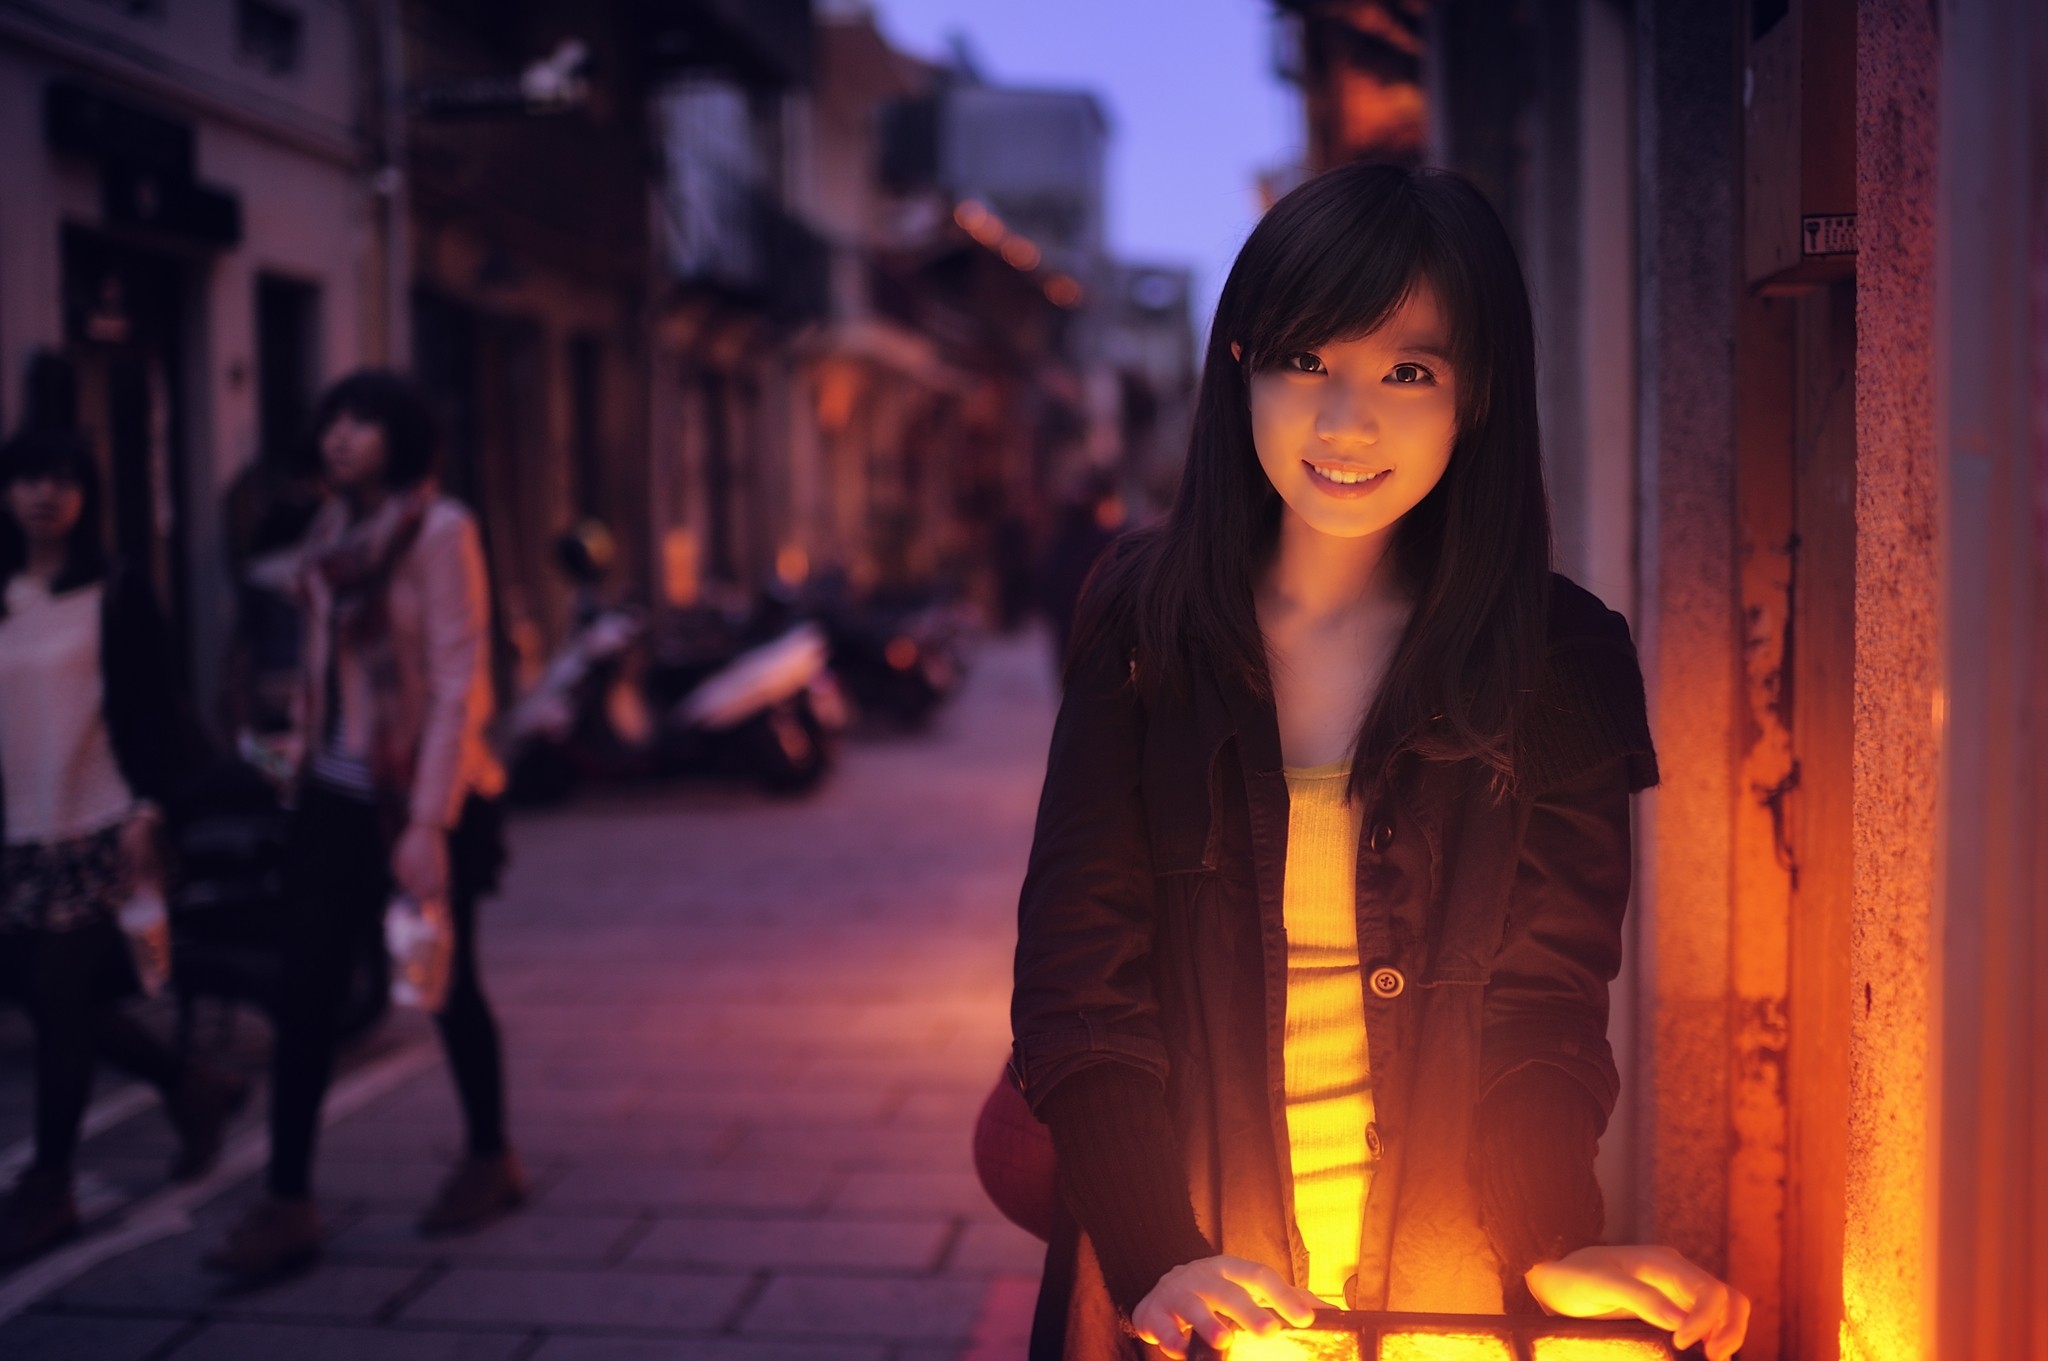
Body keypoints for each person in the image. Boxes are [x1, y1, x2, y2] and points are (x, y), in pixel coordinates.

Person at [1007, 164, 1752, 1361]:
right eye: (1306, 359)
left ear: (1478, 394)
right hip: (1188, 1272)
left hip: (1440, 1272)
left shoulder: (1562, 653)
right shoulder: (1145, 620)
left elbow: (1545, 1004)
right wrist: (1158, 1253)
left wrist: (1557, 1239)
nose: (1344, 421)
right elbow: (1078, 980)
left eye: (1408, 371)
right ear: (1240, 364)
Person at [206, 370, 520, 1280]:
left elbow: (458, 678)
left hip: (425, 796)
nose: (341, 436)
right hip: (333, 793)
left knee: (445, 981)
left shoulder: (440, 529)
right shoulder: (330, 531)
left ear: (402, 435)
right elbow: (321, 663)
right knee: (305, 988)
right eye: (333, 419)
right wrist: (291, 754)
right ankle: (288, 1200)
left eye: (364, 422)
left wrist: (427, 821)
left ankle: (492, 1155)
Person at [0, 420, 246, 1264]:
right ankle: (192, 1087)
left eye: (65, 479)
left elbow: (155, 708)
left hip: (102, 821)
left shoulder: (116, 591)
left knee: (62, 997)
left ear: (87, 496)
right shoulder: (2, 595)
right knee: (46, 997)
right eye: (30, 477)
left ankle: (50, 1185)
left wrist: (151, 806)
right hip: (15, 836)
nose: (46, 494)